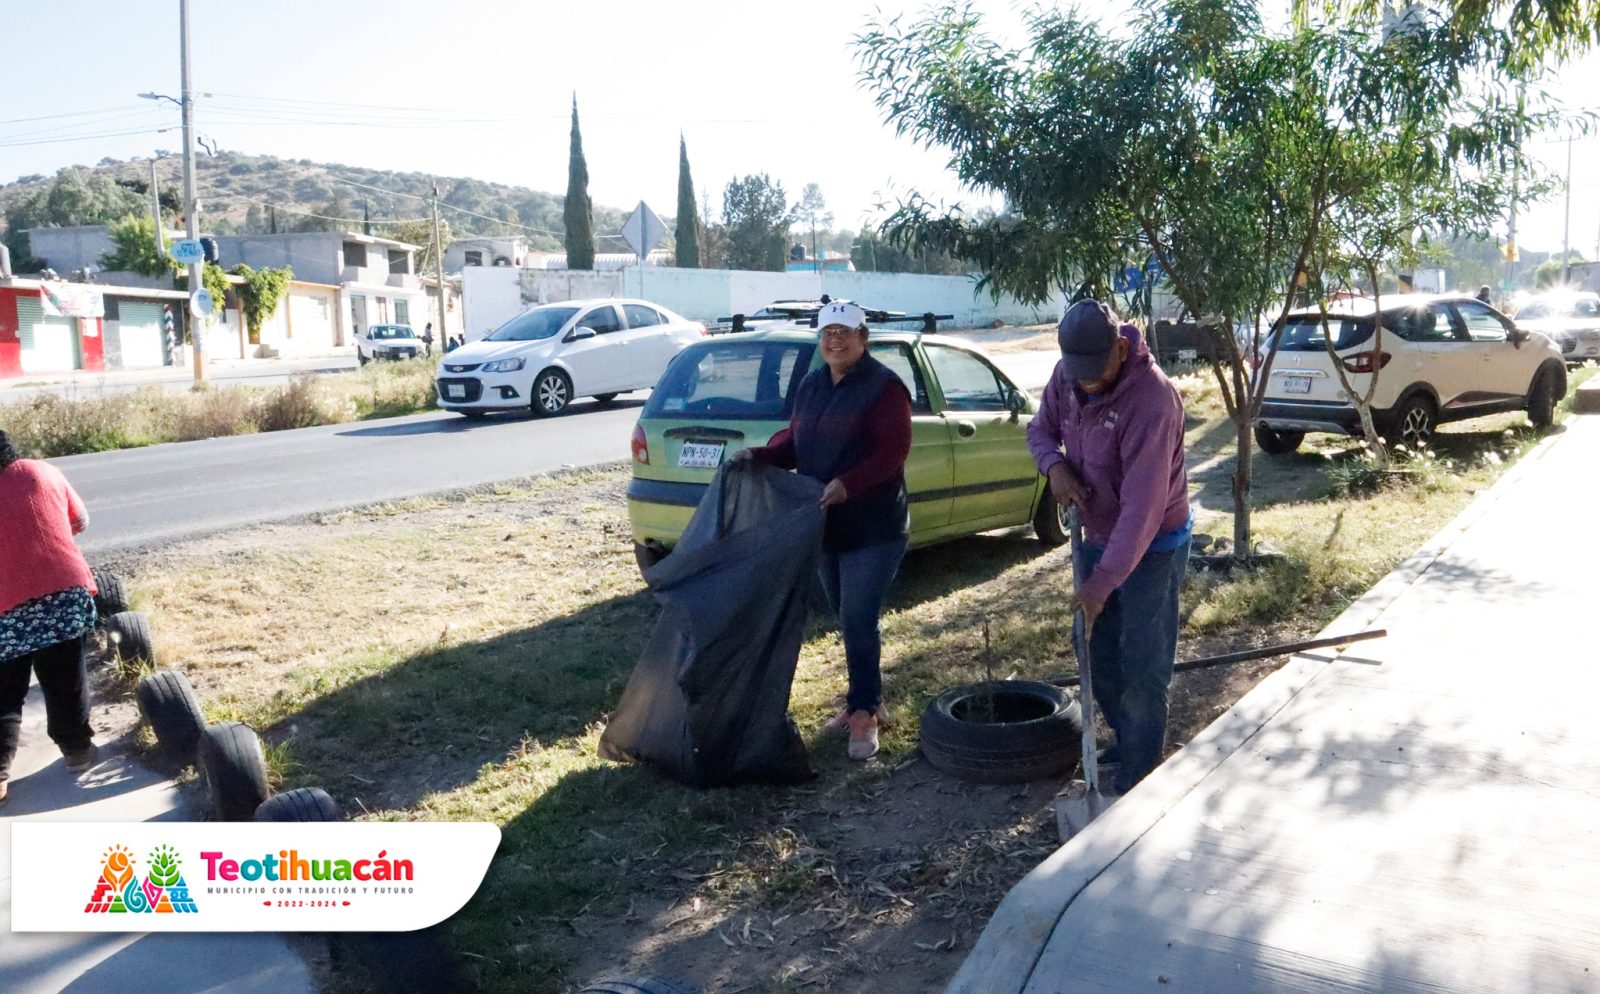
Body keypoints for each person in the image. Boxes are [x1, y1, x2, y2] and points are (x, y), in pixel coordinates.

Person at [735, 301, 912, 761]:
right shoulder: (812, 385)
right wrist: (761, 456)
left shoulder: (884, 388)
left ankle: (863, 714)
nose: (836, 340)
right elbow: (796, 442)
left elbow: (891, 453)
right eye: (828, 332)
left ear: (863, 338)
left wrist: (847, 484)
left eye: (845, 332)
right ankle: (867, 695)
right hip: (825, 527)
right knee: (848, 618)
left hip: (875, 528)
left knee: (856, 618)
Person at [1027, 299, 1191, 794]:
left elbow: (1142, 512)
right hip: (1096, 537)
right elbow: (1040, 430)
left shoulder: (1153, 402)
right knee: (1097, 655)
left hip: (1155, 545)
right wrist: (1054, 467)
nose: (1085, 383)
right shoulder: (1068, 376)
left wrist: (1100, 584)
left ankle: (1140, 776)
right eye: (1077, 373)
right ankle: (1130, 739)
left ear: (1121, 348)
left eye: (1095, 372)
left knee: (1143, 665)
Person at [0, 431, 99, 804]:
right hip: (64, 592)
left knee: (5, 694)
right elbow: (81, 522)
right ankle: (77, 752)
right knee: (65, 676)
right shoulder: (44, 471)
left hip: (5, 606)